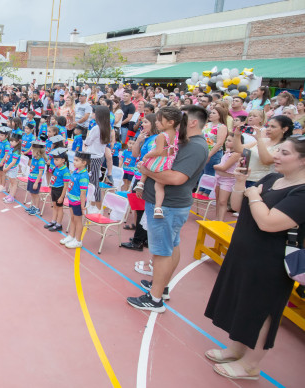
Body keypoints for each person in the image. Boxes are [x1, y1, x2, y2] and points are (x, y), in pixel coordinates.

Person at [203, 136, 305, 381]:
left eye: (285, 153)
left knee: (262, 310)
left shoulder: (301, 192)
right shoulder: (272, 179)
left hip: (270, 262)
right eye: (278, 150)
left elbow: (269, 222)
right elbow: (238, 206)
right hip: (245, 255)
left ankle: (251, 364)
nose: (276, 156)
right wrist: (240, 183)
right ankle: (237, 348)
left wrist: (255, 196)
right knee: (243, 303)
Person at [126, 105, 208, 312]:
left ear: (192, 122)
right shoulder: (184, 142)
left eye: (182, 118)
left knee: (162, 252)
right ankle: (160, 286)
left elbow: (176, 178)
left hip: (169, 205)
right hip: (169, 204)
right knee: (171, 245)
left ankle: (154, 299)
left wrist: (145, 170)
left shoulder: (195, 146)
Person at [134, 107, 184, 219]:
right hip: (168, 162)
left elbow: (158, 151)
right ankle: (158, 208)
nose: (156, 122)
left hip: (158, 162)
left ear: (171, 122)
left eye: (159, 120)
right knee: (159, 186)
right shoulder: (176, 134)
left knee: (144, 164)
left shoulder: (161, 135)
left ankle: (141, 183)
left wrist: (147, 156)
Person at [83, 105, 111, 206]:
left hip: (93, 157)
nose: (92, 114)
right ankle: (93, 200)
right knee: (94, 179)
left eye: (94, 113)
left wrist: (85, 142)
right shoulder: (106, 127)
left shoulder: (96, 128)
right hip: (98, 156)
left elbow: (88, 141)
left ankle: (96, 202)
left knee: (94, 180)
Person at [61, 152, 90, 248]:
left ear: (84, 163)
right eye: (74, 160)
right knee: (72, 218)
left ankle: (78, 240)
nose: (74, 162)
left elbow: (83, 193)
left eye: (77, 160)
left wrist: (82, 206)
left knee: (78, 221)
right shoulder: (76, 171)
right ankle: (71, 236)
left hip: (78, 202)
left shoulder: (83, 176)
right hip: (72, 199)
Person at [212, 134, 241, 221]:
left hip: (228, 180)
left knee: (222, 201)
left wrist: (214, 166)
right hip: (219, 178)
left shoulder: (236, 154)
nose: (226, 142)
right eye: (227, 140)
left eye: (229, 141)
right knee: (218, 200)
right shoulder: (228, 152)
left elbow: (224, 167)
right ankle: (217, 218)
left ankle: (220, 221)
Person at [44, 148, 70, 232]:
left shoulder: (65, 171)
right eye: (54, 159)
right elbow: (53, 178)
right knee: (54, 206)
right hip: (54, 189)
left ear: (63, 160)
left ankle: (59, 224)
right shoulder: (57, 168)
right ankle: (53, 221)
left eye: (57, 159)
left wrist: (62, 197)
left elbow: (66, 186)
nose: (54, 161)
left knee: (59, 208)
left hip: (60, 190)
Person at [202, 104, 229, 176]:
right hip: (203, 151)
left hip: (213, 154)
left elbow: (219, 143)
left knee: (209, 175)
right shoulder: (207, 124)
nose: (211, 114)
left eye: (214, 113)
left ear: (220, 115)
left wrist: (209, 155)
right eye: (211, 112)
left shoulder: (221, 127)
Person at [25, 141, 46, 216]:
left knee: (35, 194)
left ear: (37, 151)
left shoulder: (41, 161)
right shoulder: (34, 158)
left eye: (33, 150)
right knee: (32, 193)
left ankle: (37, 208)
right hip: (31, 178)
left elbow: (40, 173)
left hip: (36, 180)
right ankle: (33, 206)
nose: (31, 151)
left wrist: (36, 183)